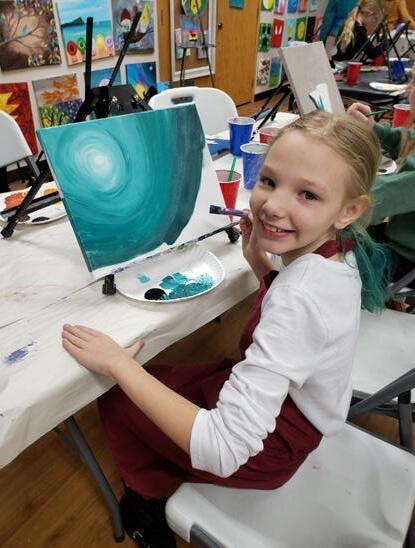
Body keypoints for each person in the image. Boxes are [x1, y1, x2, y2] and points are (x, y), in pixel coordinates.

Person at [61, 112, 390, 548]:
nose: (273, 206)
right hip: (293, 415)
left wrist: (119, 365)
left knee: (118, 398)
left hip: (270, 448)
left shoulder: (301, 297)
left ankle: (146, 504)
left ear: (350, 210)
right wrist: (261, 265)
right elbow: (301, 323)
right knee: (164, 378)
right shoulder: (338, 255)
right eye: (269, 181)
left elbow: (224, 449)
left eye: (308, 194)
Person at [348, 61, 415, 285]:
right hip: (399, 242)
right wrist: (371, 128)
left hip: (405, 261)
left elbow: (374, 201)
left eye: (414, 82)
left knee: (323, 255)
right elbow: (404, 140)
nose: (408, 88)